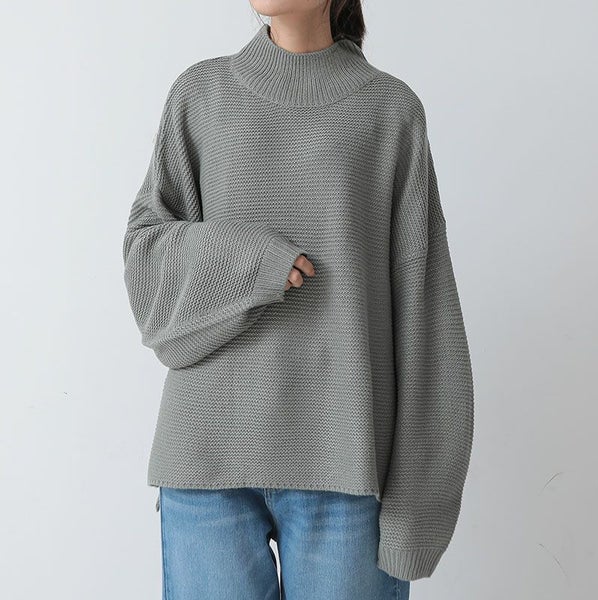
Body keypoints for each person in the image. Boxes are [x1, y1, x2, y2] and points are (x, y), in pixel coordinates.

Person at [122, 1, 474, 598]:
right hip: (205, 460)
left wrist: (418, 508)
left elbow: (427, 316)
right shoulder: (201, 96)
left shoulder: (389, 111)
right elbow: (145, 265)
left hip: (346, 463)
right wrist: (251, 263)